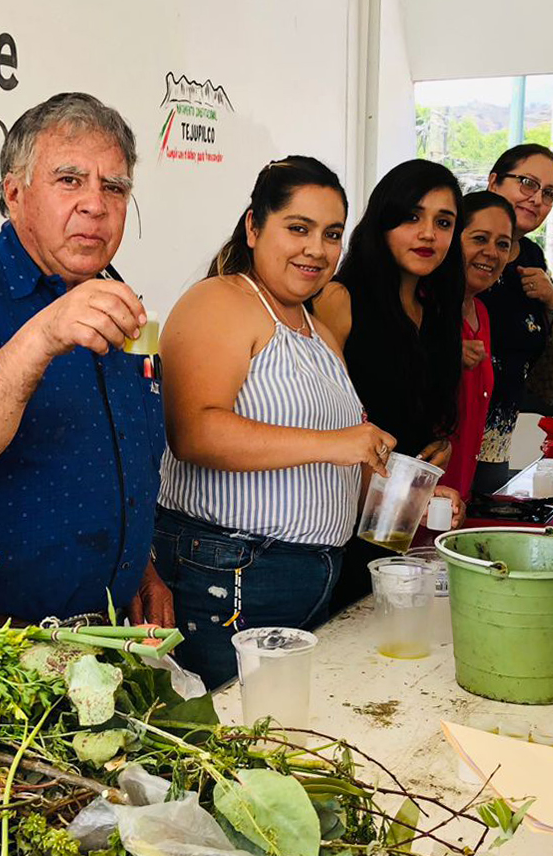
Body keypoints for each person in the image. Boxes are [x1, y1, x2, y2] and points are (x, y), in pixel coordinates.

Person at [0, 93, 172, 628]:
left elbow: (126, 462)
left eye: (114, 187)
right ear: (14, 193)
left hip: (115, 633)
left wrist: (142, 568)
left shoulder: (121, 299)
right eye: (70, 180)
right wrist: (44, 333)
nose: (96, 204)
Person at [153, 158, 394, 687]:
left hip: (312, 573)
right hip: (234, 570)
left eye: (332, 234)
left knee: (279, 739)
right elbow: (194, 432)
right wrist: (337, 445)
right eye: (298, 228)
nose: (317, 249)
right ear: (254, 227)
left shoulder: (316, 330)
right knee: (226, 737)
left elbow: (340, 450)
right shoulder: (220, 301)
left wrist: (392, 479)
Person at [315, 159, 467, 609]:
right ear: (383, 220)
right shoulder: (339, 298)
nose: (428, 234)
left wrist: (439, 446)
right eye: (412, 217)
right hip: (335, 523)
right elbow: (318, 414)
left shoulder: (434, 309)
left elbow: (410, 412)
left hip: (395, 524)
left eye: (443, 222)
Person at [473, 143, 553, 493]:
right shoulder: (455, 244)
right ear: (494, 182)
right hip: (451, 431)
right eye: (527, 183)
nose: (537, 199)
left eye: (549, 192)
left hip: (500, 434)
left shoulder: (533, 256)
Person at [446, 191, 510, 500]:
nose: (491, 253)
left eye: (502, 245)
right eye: (479, 239)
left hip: (460, 496)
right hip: (421, 496)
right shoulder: (426, 309)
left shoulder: (482, 313)